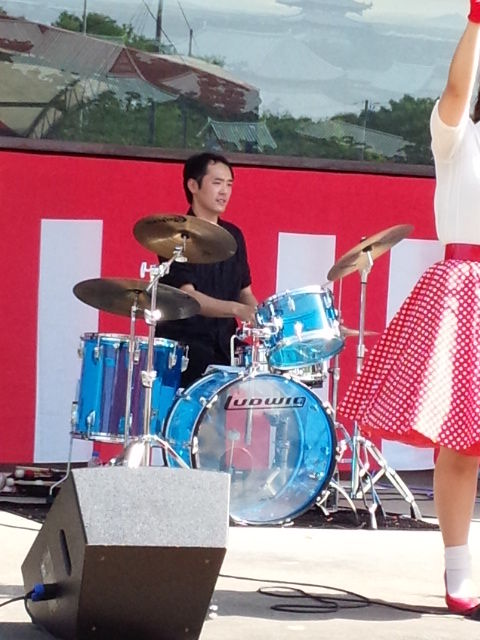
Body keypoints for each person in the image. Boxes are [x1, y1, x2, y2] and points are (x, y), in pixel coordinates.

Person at [338, 3, 480, 615]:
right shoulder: (458, 137)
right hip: (466, 288)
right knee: (464, 442)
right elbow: (456, 90)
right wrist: (476, 21)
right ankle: (458, 571)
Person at [156, 152, 257, 388]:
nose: (224, 192)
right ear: (193, 185)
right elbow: (188, 297)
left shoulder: (234, 235)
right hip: (186, 350)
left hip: (227, 346)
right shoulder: (175, 236)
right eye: (217, 183)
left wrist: (261, 315)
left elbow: (245, 292)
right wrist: (236, 309)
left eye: (229, 184)